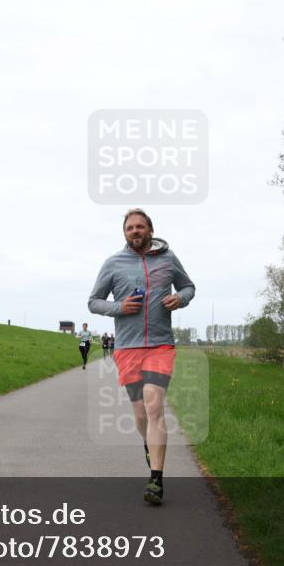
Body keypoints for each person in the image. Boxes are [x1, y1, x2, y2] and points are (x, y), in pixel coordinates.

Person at [88, 208, 195, 505]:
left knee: (153, 403)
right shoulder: (114, 263)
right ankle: (150, 445)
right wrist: (119, 307)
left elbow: (188, 287)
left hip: (161, 344)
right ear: (125, 233)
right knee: (140, 414)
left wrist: (180, 299)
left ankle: (156, 480)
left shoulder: (168, 259)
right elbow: (93, 302)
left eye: (139, 226)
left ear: (150, 229)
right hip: (128, 347)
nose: (135, 231)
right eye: (129, 228)